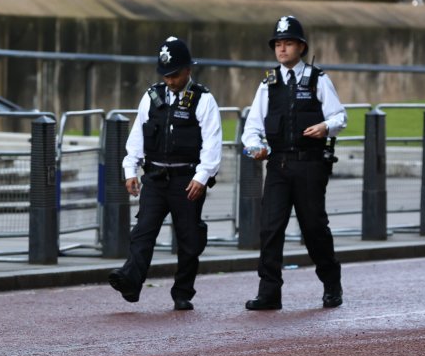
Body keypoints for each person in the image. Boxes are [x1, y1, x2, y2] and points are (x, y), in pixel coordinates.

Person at [108, 36, 223, 311]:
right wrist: (129, 168)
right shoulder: (152, 97)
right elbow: (138, 135)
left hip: (187, 181)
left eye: (175, 74)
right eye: (166, 75)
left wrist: (202, 177)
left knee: (189, 239)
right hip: (156, 177)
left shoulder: (204, 100)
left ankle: (182, 293)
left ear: (188, 70)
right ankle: (130, 282)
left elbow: (212, 142)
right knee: (143, 231)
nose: (170, 81)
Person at [241, 15, 347, 311]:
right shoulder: (268, 84)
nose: (282, 49)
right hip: (278, 166)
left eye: (288, 43)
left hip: (310, 165)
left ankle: (331, 284)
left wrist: (326, 126)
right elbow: (251, 129)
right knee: (270, 229)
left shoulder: (318, 79)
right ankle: (269, 293)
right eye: (278, 44)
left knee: (314, 228)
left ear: (301, 46)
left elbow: (340, 116)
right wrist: (256, 148)